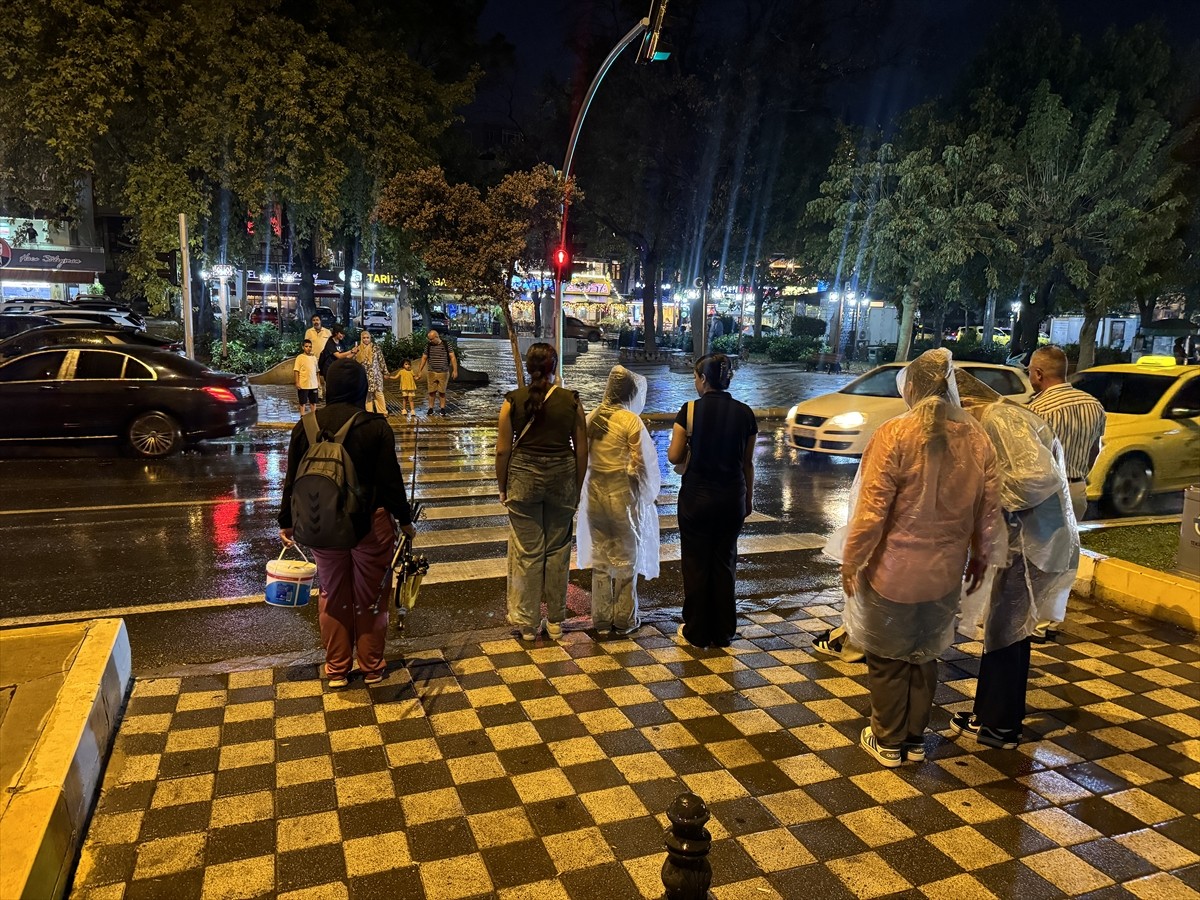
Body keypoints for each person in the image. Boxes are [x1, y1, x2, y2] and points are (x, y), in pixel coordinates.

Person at [839, 349, 1005, 768]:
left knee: (888, 659)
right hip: (945, 572)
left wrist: (852, 558)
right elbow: (989, 509)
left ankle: (888, 740)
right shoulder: (976, 437)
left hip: (892, 570)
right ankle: (915, 737)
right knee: (924, 655)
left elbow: (873, 510)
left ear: (910, 387)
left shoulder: (894, 434)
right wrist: (981, 556)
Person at [950, 369, 1079, 749]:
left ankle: (1000, 726)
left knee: (1007, 631)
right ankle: (990, 716)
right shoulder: (1004, 416)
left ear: (967, 403)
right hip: (1028, 540)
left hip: (1034, 542)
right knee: (1006, 629)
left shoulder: (999, 419)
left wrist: (984, 497)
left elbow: (1036, 478)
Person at [278, 360, 416, 687]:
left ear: (328, 387)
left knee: (332, 594)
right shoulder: (375, 427)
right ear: (362, 389)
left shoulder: (305, 426)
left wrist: (287, 521)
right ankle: (371, 668)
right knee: (371, 597)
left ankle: (337, 669)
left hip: (321, 526)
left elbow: (292, 479)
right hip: (371, 526)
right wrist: (406, 521)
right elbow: (391, 482)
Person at [495, 343, 588, 641]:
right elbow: (582, 451)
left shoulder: (511, 401)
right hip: (562, 479)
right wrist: (578, 487)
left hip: (522, 480)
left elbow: (502, 451)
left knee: (527, 551)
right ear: (554, 367)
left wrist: (502, 486)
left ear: (527, 366)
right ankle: (556, 620)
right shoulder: (572, 401)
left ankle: (527, 624)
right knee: (558, 550)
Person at [666, 353, 757, 649]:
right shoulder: (745, 413)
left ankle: (696, 630)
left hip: (696, 500)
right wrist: (748, 499)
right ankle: (723, 631)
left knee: (695, 563)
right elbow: (747, 463)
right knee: (724, 562)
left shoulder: (689, 411)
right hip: (732, 498)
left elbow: (675, 456)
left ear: (703, 379)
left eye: (695, 377)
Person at [576, 366, 660, 636]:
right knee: (627, 560)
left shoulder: (591, 418)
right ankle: (624, 619)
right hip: (622, 499)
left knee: (601, 558)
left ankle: (600, 619)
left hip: (594, 499)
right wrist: (646, 493)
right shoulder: (630, 421)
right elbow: (642, 462)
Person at [1027, 345, 1106, 522]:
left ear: (1039, 374)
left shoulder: (1037, 410)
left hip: (1046, 495)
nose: (1029, 376)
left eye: (1029, 371)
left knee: (1043, 548)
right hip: (1077, 491)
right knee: (1068, 547)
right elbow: (1096, 449)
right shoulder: (1093, 404)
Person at [414, 329, 457, 416]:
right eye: (429, 339)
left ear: (437, 337)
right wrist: (420, 371)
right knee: (431, 391)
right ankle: (430, 408)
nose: (430, 341)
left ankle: (442, 408)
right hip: (431, 372)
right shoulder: (428, 346)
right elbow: (424, 358)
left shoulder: (446, 344)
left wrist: (455, 370)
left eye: (432, 339)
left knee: (442, 392)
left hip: (443, 372)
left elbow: (452, 357)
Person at [355, 330, 390, 415]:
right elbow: (356, 363)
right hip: (364, 376)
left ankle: (382, 412)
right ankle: (369, 412)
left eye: (367, 338)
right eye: (364, 338)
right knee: (368, 395)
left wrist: (385, 372)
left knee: (379, 393)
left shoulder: (375, 348)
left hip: (376, 375)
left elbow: (381, 360)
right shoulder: (358, 349)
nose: (366, 340)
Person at [305, 314, 332, 398]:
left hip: (325, 359)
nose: (315, 322)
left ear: (320, 321)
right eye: (314, 320)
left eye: (317, 320)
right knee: (316, 377)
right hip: (313, 358)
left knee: (327, 377)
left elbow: (331, 345)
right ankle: (319, 394)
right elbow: (306, 344)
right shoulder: (309, 332)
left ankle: (328, 394)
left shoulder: (327, 332)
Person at [293, 338, 319, 415]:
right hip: (303, 384)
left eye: (310, 346)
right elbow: (296, 370)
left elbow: (317, 371)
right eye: (306, 346)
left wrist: (318, 382)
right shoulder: (300, 358)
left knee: (313, 402)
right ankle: (302, 415)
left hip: (313, 384)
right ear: (303, 347)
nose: (308, 348)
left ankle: (313, 415)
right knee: (302, 402)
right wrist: (297, 382)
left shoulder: (314, 358)